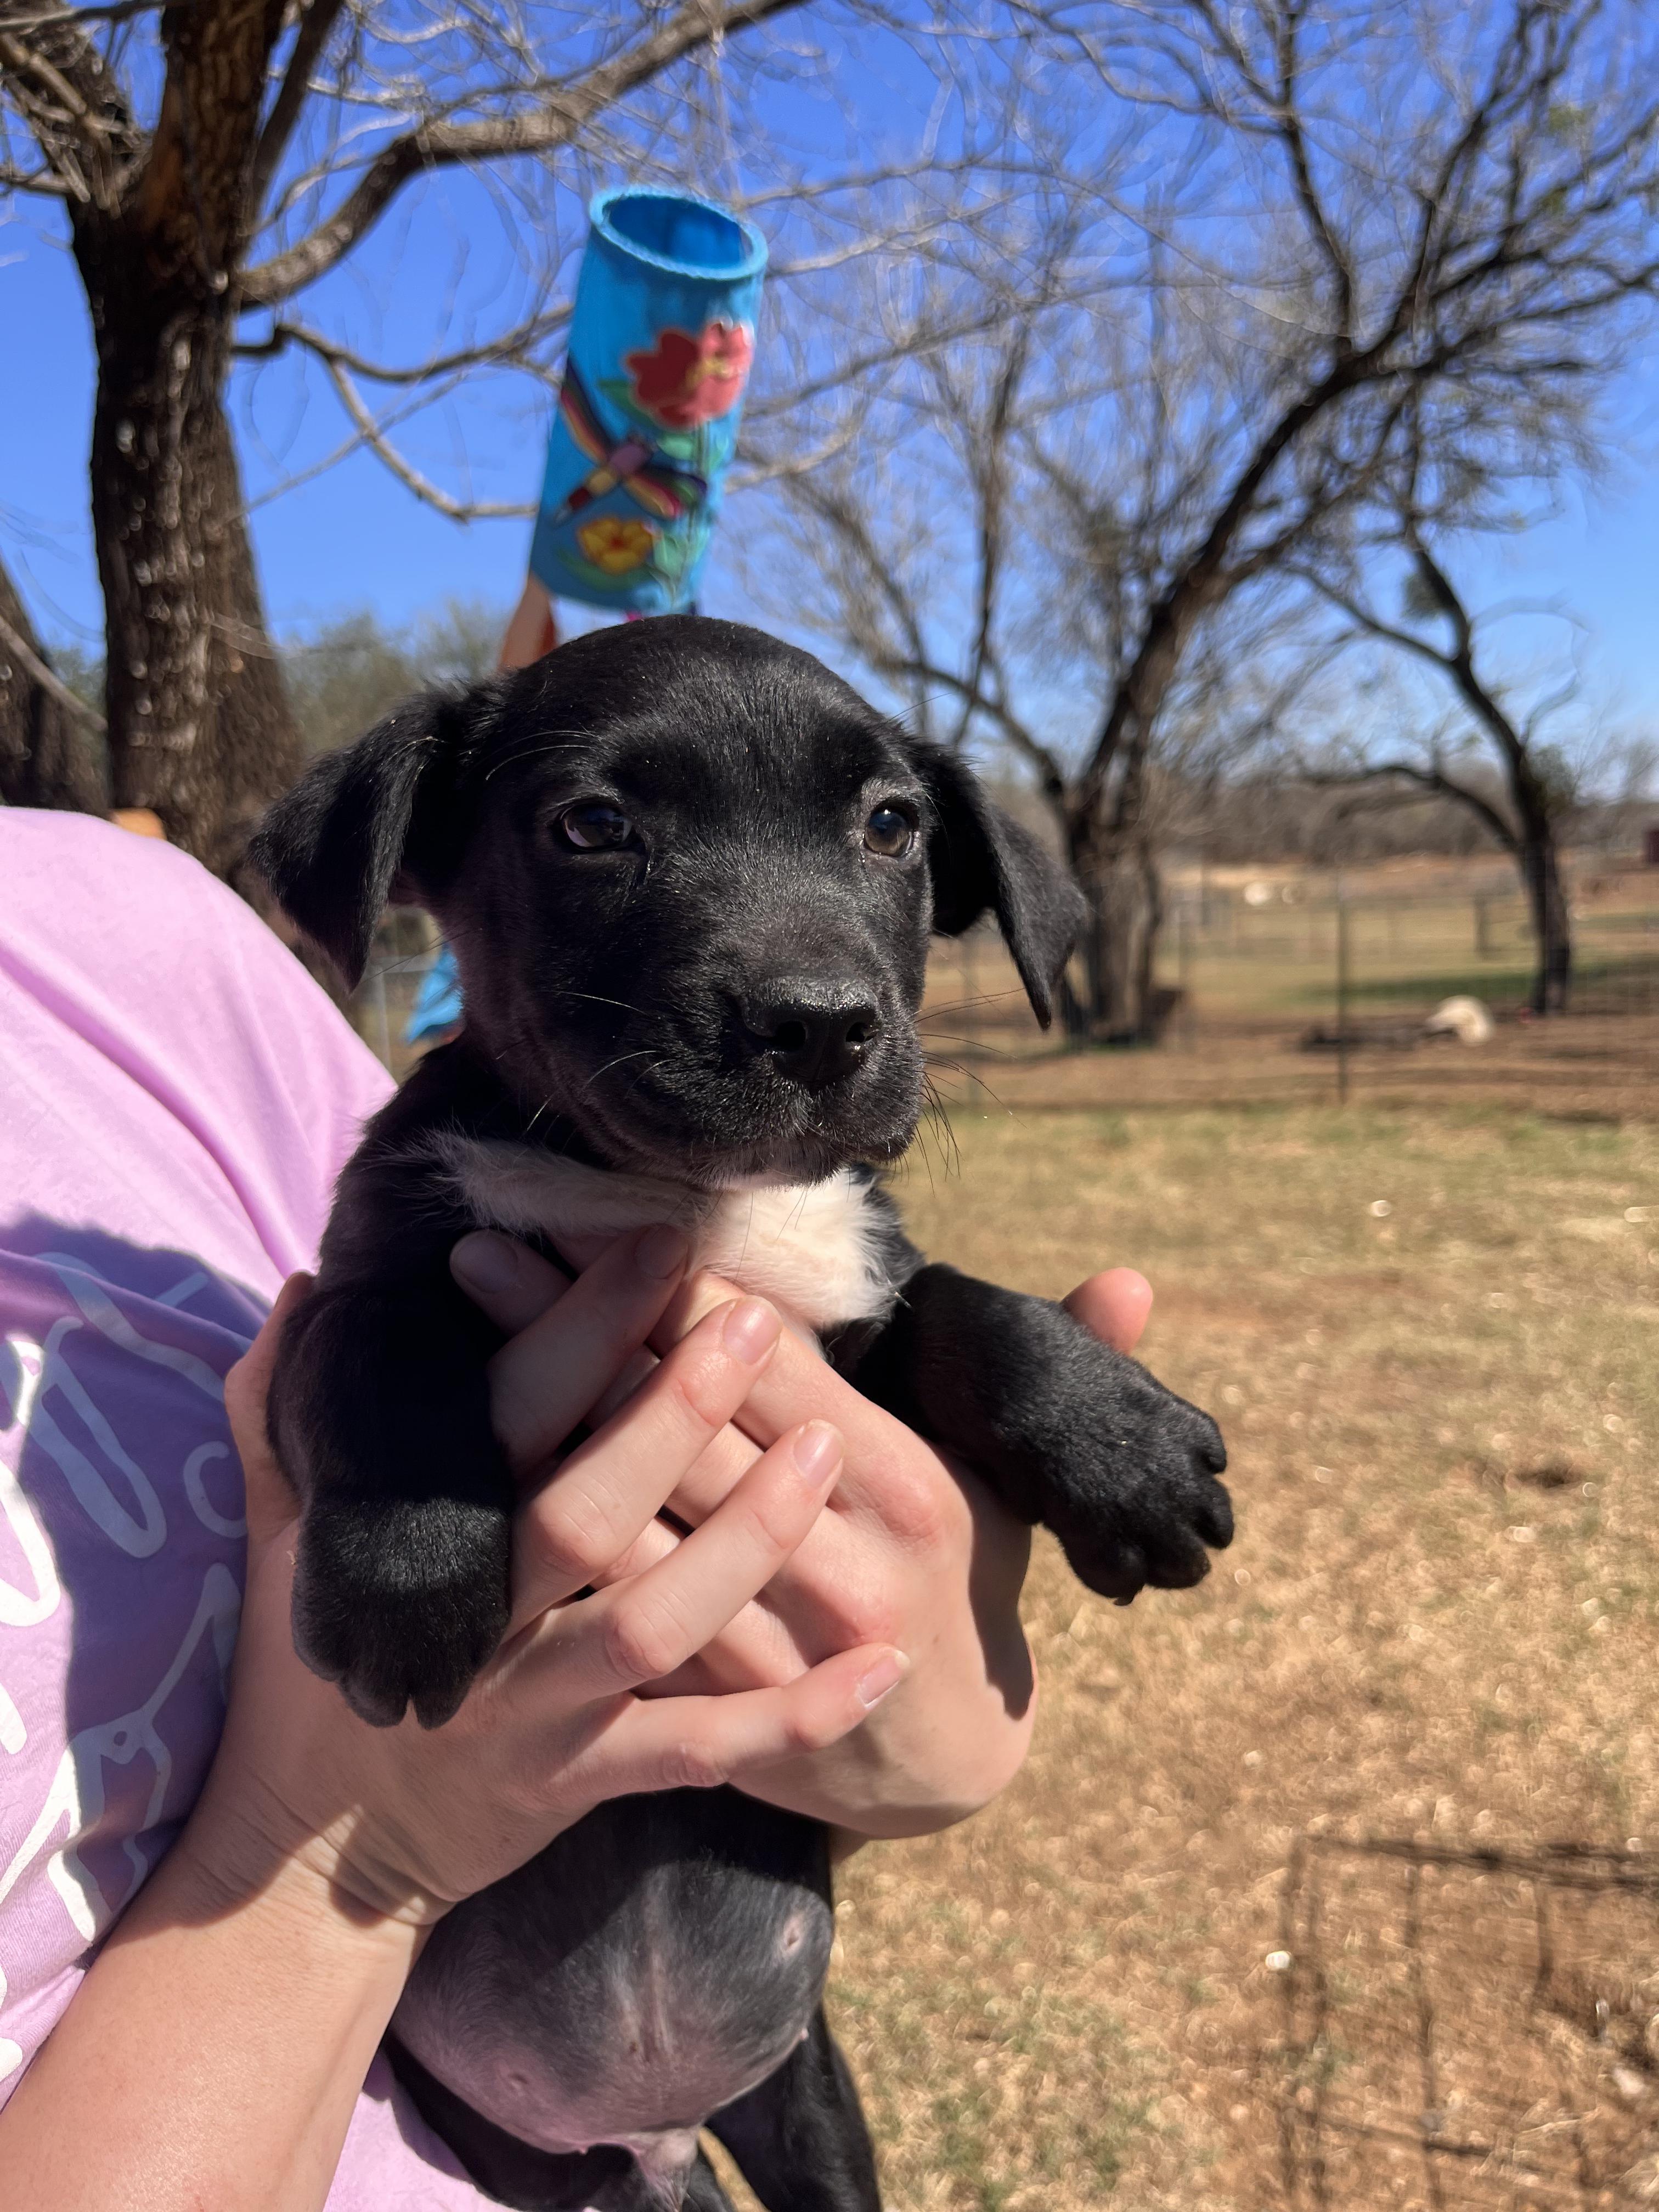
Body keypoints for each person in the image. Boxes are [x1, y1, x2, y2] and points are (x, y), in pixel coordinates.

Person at [0, 803, 1156, 2209]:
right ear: (418, 864)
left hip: (750, 2012)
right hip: (430, 2101)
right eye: (603, 825)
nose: (805, 967)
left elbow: (897, 1345)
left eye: (887, 828)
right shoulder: (438, 1167)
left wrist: (949, 1635)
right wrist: (398, 1541)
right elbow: (347, 1328)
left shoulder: (110, 943)